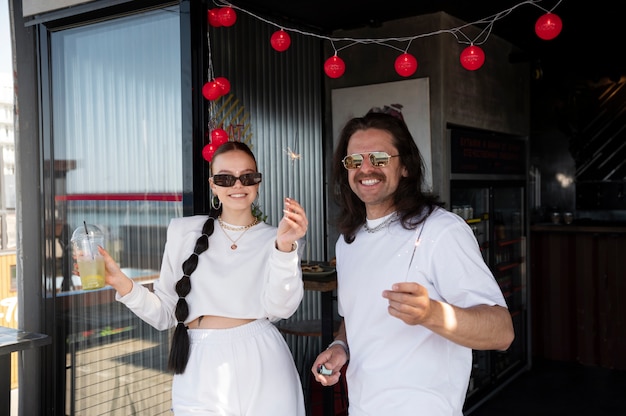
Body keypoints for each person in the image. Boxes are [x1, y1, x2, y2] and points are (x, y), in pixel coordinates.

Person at [311, 112, 514, 415]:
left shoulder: (441, 231)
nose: (365, 168)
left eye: (379, 158)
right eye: (354, 161)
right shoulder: (349, 242)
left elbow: (502, 333)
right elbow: (355, 320)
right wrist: (340, 347)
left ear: (405, 165)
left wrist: (432, 313)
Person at [98, 141, 308, 415]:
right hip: (198, 358)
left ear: (258, 183)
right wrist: (120, 283)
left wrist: (284, 249)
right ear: (213, 185)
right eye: (225, 178)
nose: (237, 185)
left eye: (247, 177)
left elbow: (281, 308)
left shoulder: (278, 237)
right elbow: (164, 315)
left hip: (262, 357)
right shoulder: (183, 231)